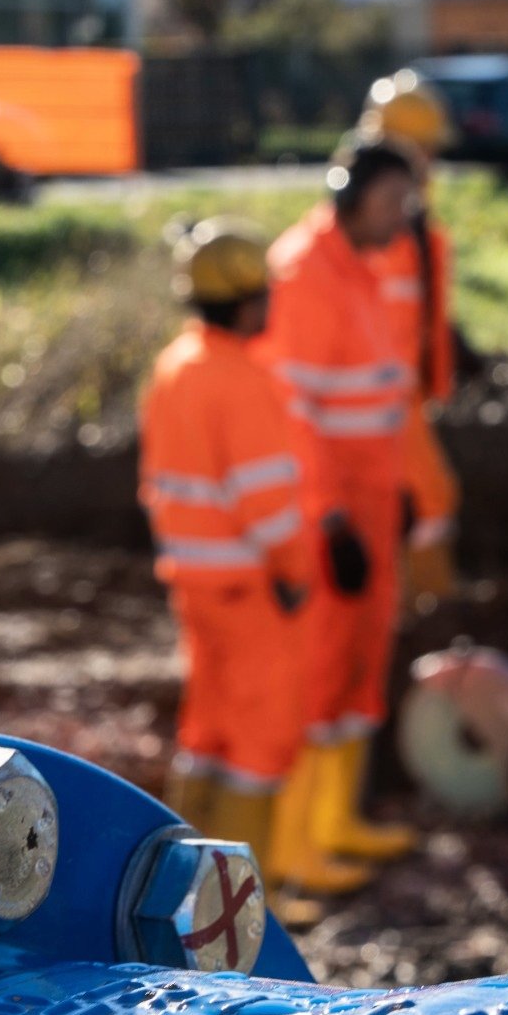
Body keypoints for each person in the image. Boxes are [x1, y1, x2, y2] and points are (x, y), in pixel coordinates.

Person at [258, 138, 423, 894]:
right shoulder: (307, 272)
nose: (404, 219)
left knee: (361, 665)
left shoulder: (364, 267)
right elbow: (296, 414)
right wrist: (326, 519)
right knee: (321, 671)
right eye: (393, 202)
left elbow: (376, 393)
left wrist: (403, 488)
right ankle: (293, 848)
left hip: (373, 493)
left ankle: (335, 823)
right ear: (350, 197)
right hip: (334, 508)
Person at [139, 219, 318, 870]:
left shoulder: (176, 364)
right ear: (248, 302)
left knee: (207, 732)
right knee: (259, 744)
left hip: (194, 581)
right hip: (248, 588)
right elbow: (265, 502)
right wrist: (297, 571)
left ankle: (181, 885)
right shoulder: (240, 379)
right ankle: (246, 903)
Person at [359, 71, 463, 605]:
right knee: (429, 499)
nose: (433, 164)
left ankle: (411, 605)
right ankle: (425, 611)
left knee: (419, 502)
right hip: (377, 404)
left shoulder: (410, 221)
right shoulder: (373, 227)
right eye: (426, 151)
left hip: (401, 398)